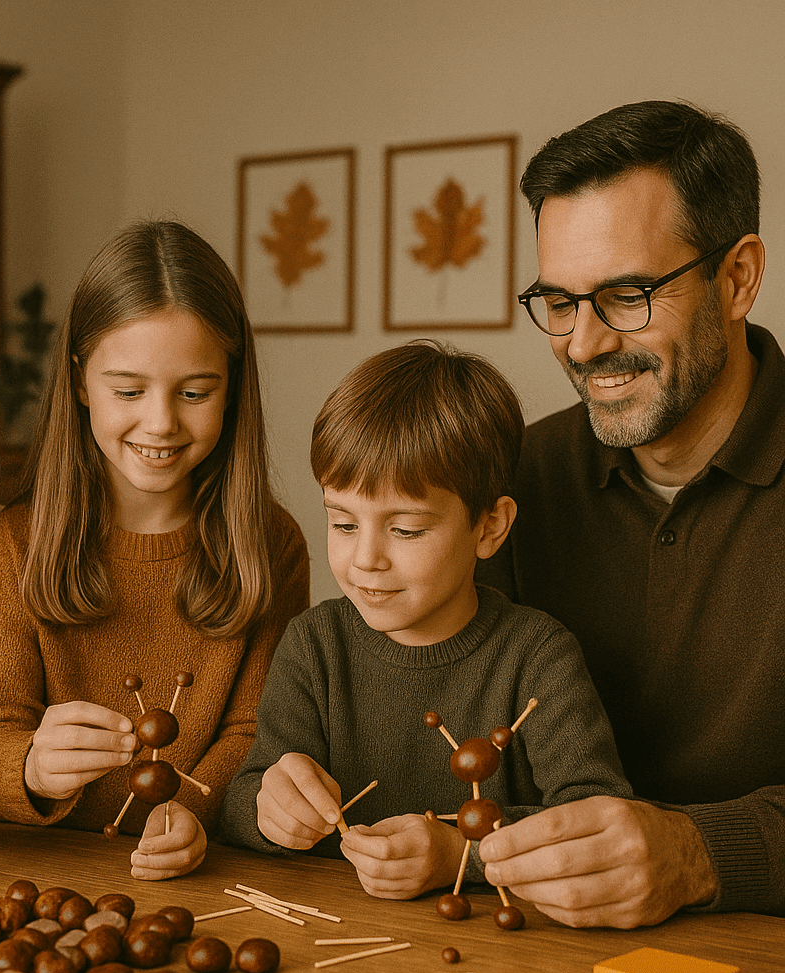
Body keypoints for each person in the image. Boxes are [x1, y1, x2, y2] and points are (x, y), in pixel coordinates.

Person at [476, 99, 784, 927]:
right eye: (559, 301)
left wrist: (696, 850)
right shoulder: (514, 481)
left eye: (624, 295)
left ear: (739, 278)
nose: (581, 345)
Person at [0, 220, 309, 881]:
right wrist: (31, 764)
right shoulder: (13, 546)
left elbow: (255, 731)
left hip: (204, 876)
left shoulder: (272, 544)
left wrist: (189, 810)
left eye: (195, 392)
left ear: (233, 388)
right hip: (39, 877)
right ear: (80, 380)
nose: (161, 422)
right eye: (127, 391)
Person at [220, 341, 631, 900]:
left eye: (406, 530)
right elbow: (243, 798)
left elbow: (595, 819)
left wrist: (462, 854)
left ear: (489, 527)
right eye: (342, 523)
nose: (366, 558)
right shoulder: (315, 645)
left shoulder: (537, 654)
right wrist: (269, 811)